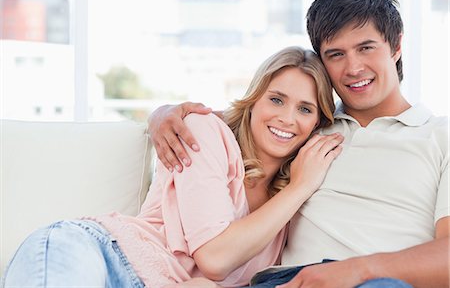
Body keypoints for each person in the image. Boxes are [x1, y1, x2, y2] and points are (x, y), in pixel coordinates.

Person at [146, 0, 449, 287]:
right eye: (336, 54)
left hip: (379, 280)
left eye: (366, 48)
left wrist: (359, 270)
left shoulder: (440, 136)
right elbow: (245, 118)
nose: (354, 68)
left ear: (396, 45)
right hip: (283, 281)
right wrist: (164, 114)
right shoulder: (308, 127)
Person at [2, 47, 344, 288]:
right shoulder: (205, 133)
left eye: (305, 109)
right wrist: (301, 187)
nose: (286, 118)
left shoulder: (284, 209)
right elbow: (214, 257)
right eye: (276, 99)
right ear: (253, 101)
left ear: (317, 123)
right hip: (99, 253)